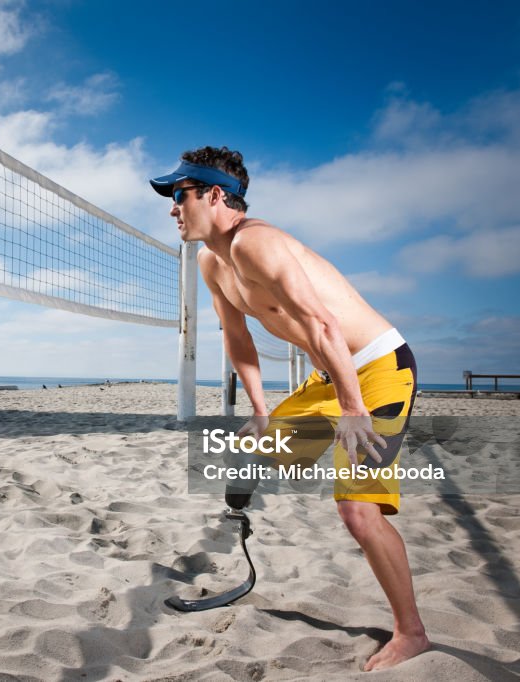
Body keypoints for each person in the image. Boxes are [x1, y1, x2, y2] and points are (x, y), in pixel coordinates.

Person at [150, 146, 430, 671]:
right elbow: (238, 337)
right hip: (331, 373)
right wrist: (259, 410)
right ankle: (250, 497)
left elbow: (323, 325)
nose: (172, 207)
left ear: (213, 195)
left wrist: (353, 407)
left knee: (357, 511)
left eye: (179, 194)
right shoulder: (213, 263)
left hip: (375, 369)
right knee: (248, 450)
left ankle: (411, 633)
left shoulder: (258, 244)